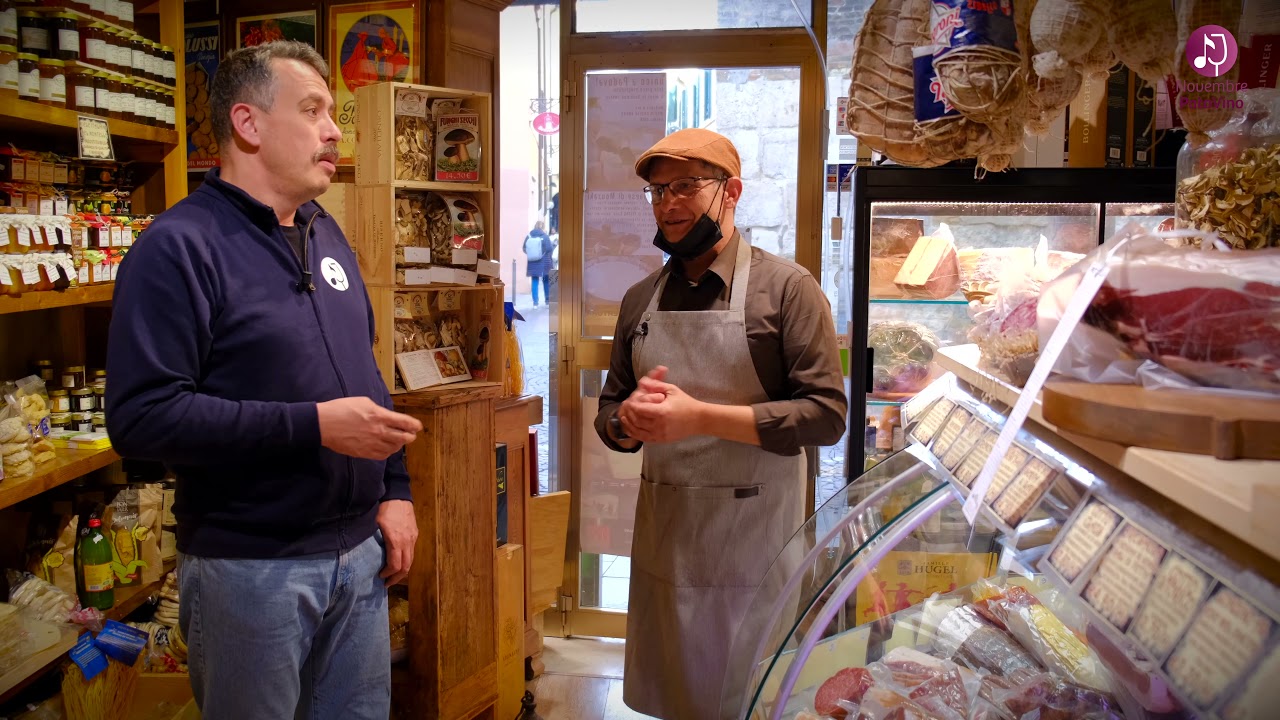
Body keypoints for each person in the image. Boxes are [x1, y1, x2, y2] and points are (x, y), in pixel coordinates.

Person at [105, 41, 422, 720]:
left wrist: (395, 492)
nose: (334, 130)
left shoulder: (324, 232)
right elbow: (142, 417)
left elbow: (364, 376)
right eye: (313, 110)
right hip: (251, 571)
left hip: (358, 557)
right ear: (247, 125)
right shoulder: (177, 247)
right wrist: (312, 425)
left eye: (332, 112)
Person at [594, 128, 847, 719]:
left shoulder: (786, 290)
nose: (668, 203)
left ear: (731, 192)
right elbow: (611, 410)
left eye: (686, 186)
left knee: (751, 698)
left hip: (755, 546)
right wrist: (627, 422)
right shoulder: (639, 299)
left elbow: (827, 415)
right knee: (679, 697)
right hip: (670, 538)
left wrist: (699, 417)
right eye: (657, 191)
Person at [523, 220, 554, 308]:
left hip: (532, 262)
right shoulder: (545, 236)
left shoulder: (529, 236)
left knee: (535, 281)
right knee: (546, 280)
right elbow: (549, 248)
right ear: (543, 227)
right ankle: (547, 301)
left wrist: (533, 254)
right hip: (544, 262)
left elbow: (524, 248)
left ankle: (535, 303)